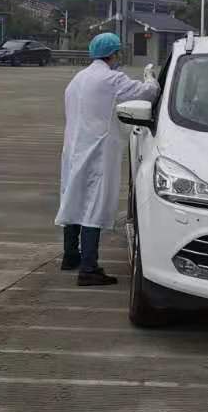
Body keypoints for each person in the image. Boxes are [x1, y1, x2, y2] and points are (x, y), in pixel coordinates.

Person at [55, 33, 160, 287]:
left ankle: (71, 256)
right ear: (113, 54)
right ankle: (89, 269)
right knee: (94, 205)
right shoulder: (112, 79)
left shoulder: (78, 79)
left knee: (74, 198)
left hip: (74, 149)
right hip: (97, 152)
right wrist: (150, 77)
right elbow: (147, 94)